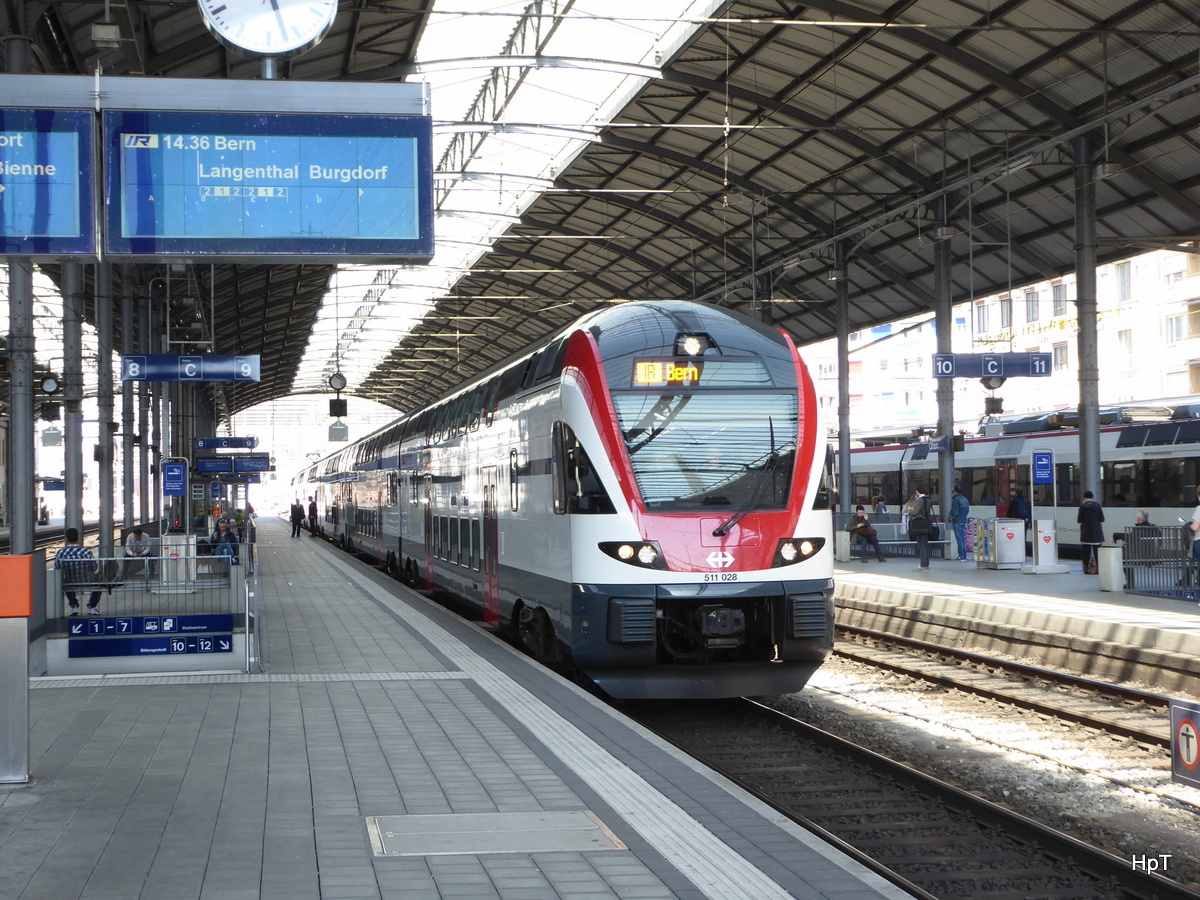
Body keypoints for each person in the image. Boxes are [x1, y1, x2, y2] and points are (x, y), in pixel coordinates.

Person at [55, 527, 102, 615]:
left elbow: (57, 568)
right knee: (100, 583)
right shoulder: (86, 551)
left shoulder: (60, 553)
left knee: (65, 581)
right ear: (78, 538)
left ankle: (74, 606)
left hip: (69, 582)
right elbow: (94, 567)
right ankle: (92, 606)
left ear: (66, 539)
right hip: (87, 580)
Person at [905, 484, 934, 571]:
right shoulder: (927, 499)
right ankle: (926, 563)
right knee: (925, 545)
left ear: (917, 491)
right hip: (926, 523)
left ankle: (923, 565)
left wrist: (910, 509)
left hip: (920, 525)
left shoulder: (920, 500)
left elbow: (916, 512)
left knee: (921, 545)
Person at [1077, 490, 1105, 573]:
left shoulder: (1082, 507)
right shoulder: (1097, 506)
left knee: (1086, 552)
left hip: (1086, 533)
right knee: (1097, 552)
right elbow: (1102, 519)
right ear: (1093, 497)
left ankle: (1086, 568)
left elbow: (1079, 520)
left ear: (1084, 498)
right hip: (1096, 532)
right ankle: (1098, 568)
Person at [949, 485, 970, 561]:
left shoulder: (956, 500)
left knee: (959, 538)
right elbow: (967, 510)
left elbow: (954, 511)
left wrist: (951, 517)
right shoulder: (965, 499)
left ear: (955, 491)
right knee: (963, 538)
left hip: (957, 521)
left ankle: (961, 555)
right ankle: (964, 556)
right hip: (963, 520)